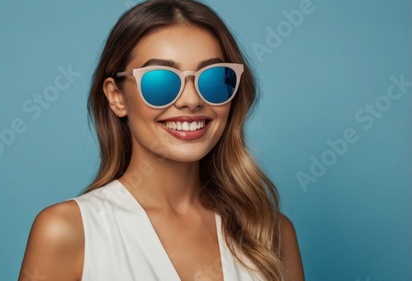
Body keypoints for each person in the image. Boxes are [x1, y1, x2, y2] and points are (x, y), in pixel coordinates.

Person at [18, 0, 304, 280]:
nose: (192, 100)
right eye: (161, 81)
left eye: (214, 79)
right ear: (116, 97)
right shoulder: (68, 231)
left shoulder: (271, 235)